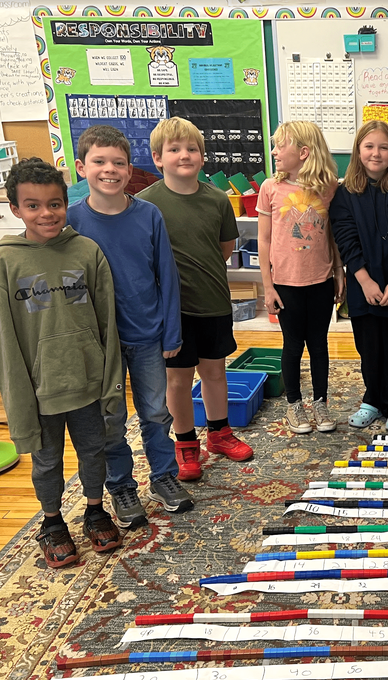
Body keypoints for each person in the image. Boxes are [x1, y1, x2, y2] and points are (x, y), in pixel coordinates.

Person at [0, 157, 124, 568]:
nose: (46, 213)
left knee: (94, 450)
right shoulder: (4, 262)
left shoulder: (86, 251)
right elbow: (3, 341)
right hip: (40, 389)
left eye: (55, 204)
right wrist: (17, 398)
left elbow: (106, 322)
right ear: (15, 209)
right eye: (33, 205)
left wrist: (110, 379)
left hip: (87, 381)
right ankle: (52, 521)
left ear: (67, 203)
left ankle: (96, 510)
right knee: (46, 461)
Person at [68, 125, 192, 527]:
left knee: (156, 412)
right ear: (81, 167)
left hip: (147, 334)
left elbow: (167, 276)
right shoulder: (69, 221)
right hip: (98, 344)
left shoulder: (148, 215)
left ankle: (163, 476)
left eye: (119, 162)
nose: (110, 169)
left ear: (129, 168)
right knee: (110, 420)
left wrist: (171, 332)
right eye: (100, 162)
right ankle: (121, 484)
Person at [137, 117, 252, 481]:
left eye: (191, 149)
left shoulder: (217, 200)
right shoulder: (144, 204)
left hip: (214, 303)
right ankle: (186, 444)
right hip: (171, 313)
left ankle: (220, 434)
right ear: (158, 158)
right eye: (174, 150)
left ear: (203, 157)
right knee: (177, 380)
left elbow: (223, 249)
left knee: (215, 372)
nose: (184, 155)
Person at [331, 120, 388, 432]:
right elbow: (346, 239)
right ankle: (372, 399)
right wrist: (365, 281)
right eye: (369, 146)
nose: (376, 153)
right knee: (368, 347)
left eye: (384, 147)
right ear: (358, 151)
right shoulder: (345, 194)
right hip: (363, 286)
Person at [257, 120, 344, 435]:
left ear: (304, 152)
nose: (275, 151)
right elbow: (264, 241)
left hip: (319, 281)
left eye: (281, 146)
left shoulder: (329, 187)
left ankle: (320, 402)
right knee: (292, 345)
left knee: (319, 344)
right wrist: (267, 286)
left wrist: (337, 271)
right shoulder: (270, 188)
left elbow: (333, 234)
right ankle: (295, 405)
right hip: (285, 284)